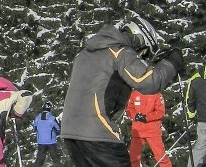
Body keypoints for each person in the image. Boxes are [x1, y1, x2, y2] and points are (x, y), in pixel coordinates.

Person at [59, 15, 183, 167]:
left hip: (71, 132)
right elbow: (148, 82)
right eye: (144, 52)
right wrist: (172, 63)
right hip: (98, 131)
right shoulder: (120, 52)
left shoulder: (85, 54)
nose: (141, 56)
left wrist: (154, 66)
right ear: (138, 39)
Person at [127, 91, 169, 167]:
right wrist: (135, 115)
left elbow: (160, 112)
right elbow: (129, 109)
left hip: (152, 131)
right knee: (133, 158)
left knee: (161, 157)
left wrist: (147, 117)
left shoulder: (156, 93)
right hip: (137, 131)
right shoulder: (135, 93)